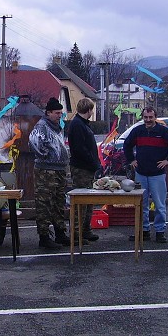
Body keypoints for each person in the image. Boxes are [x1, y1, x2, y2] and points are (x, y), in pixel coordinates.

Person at [123, 106, 168, 243]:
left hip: (157, 174)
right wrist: (131, 160)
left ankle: (160, 231)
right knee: (141, 204)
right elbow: (127, 145)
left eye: (150, 117)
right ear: (142, 117)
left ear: (155, 117)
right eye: (145, 117)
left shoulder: (163, 132)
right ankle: (144, 231)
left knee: (159, 205)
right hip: (141, 173)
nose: (148, 120)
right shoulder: (137, 131)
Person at [29, 97, 70, 249]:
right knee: (44, 203)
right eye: (57, 113)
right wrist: (46, 155)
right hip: (46, 171)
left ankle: (60, 233)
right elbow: (33, 142)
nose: (60, 115)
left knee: (59, 202)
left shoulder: (58, 126)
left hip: (59, 170)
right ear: (48, 113)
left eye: (61, 113)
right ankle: (44, 236)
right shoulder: (42, 126)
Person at [67, 98, 102, 243]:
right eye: (91, 110)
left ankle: (85, 229)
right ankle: (76, 232)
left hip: (87, 168)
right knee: (81, 201)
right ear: (88, 110)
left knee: (88, 201)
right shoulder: (77, 125)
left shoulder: (82, 124)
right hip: (82, 168)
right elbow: (79, 149)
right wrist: (93, 162)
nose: (92, 112)